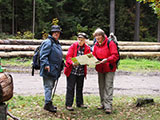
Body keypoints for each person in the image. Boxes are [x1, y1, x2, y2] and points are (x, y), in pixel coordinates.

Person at [92, 28, 119, 114]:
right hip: (100, 67)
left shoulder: (110, 43)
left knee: (108, 86)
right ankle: (103, 103)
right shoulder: (96, 44)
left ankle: (108, 106)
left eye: (98, 36)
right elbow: (93, 55)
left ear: (103, 36)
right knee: (101, 86)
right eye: (96, 37)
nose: (97, 38)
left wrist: (107, 60)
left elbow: (115, 55)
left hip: (109, 67)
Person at [64, 32, 91, 111]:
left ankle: (79, 103)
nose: (80, 41)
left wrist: (88, 61)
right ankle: (68, 104)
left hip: (81, 71)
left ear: (85, 40)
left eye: (82, 40)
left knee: (80, 87)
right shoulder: (73, 46)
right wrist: (72, 62)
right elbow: (68, 57)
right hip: (72, 71)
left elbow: (88, 57)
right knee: (70, 88)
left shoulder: (87, 48)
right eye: (79, 39)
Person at [39, 25, 63, 113]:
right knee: (48, 86)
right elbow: (43, 55)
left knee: (51, 86)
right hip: (48, 69)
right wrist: (46, 65)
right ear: (52, 33)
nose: (56, 33)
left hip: (55, 69)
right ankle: (47, 104)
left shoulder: (56, 42)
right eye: (54, 32)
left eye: (58, 32)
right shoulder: (48, 42)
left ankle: (48, 103)